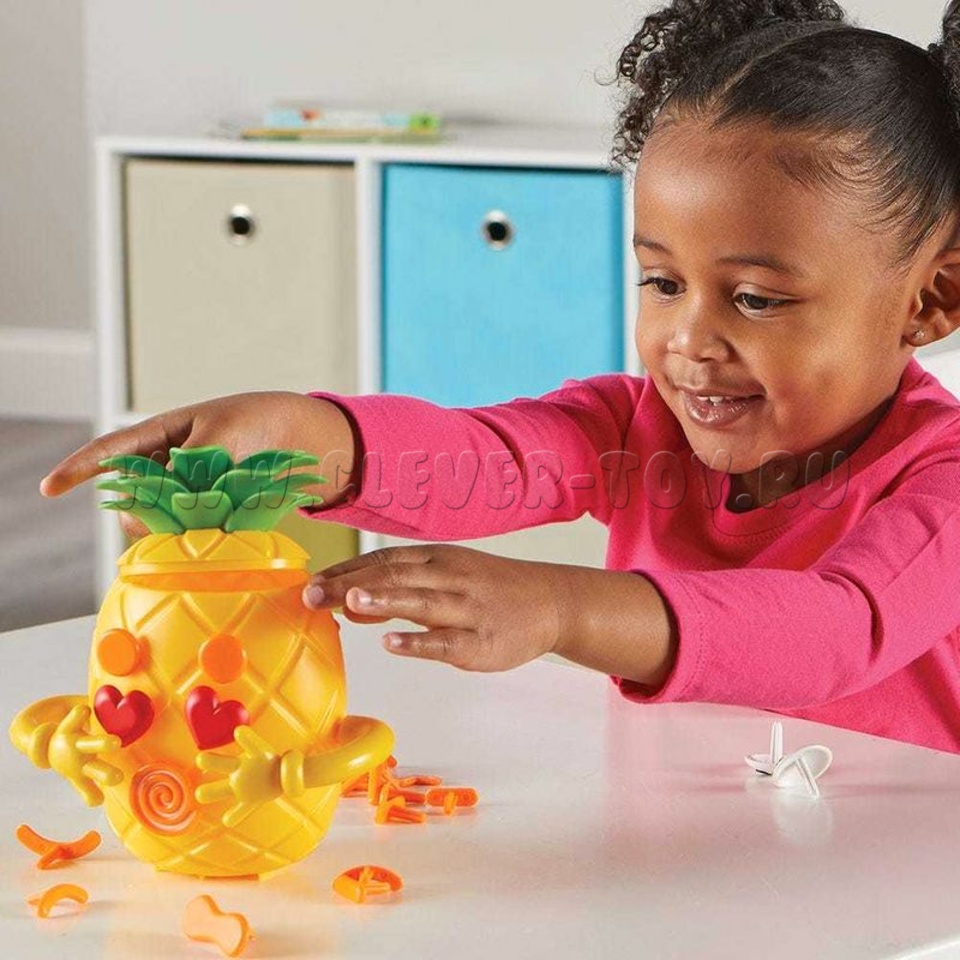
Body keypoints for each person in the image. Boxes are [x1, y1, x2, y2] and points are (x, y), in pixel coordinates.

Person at [40, 0, 960, 753]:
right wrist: (294, 435)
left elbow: (839, 625)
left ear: (930, 301)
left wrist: (562, 607)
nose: (688, 339)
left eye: (755, 299)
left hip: (903, 868)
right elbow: (487, 456)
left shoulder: (944, 484)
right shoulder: (636, 428)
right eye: (662, 282)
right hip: (699, 835)